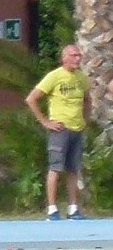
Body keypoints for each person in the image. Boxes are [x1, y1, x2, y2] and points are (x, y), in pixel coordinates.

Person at [27, 42, 89, 221]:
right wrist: (45, 122)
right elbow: (31, 99)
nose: (77, 59)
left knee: (73, 169)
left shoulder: (82, 78)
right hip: (60, 129)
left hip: (77, 128)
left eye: (79, 55)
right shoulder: (54, 76)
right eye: (73, 55)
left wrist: (86, 119)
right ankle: (52, 209)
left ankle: (73, 208)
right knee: (55, 168)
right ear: (64, 58)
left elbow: (88, 99)